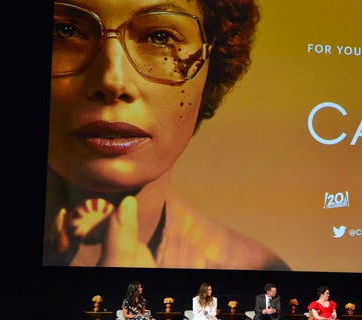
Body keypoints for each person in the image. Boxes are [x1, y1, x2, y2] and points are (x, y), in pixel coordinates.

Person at [43, 0, 289, 270]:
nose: (112, 80)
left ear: (214, 60)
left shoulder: (256, 271)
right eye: (66, 31)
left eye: (159, 37)